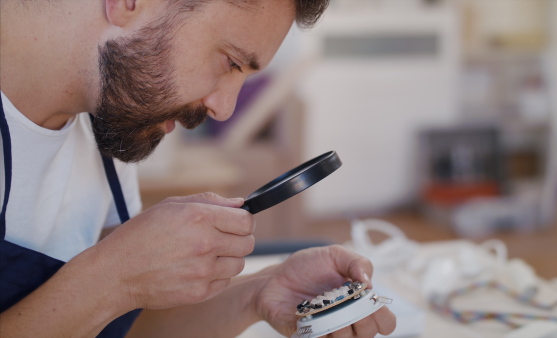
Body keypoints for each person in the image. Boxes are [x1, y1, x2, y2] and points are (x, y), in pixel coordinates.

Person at [0, 0, 397, 336]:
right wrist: (113, 276)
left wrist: (258, 291)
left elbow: (116, 325)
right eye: (230, 62)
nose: (223, 109)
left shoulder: (104, 117)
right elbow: (108, 294)